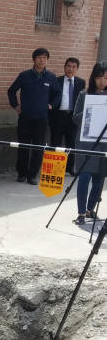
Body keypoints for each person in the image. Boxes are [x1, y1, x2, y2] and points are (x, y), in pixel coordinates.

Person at [8, 48, 62, 185]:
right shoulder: (24, 75)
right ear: (34, 59)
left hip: (41, 119)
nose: (41, 60)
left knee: (38, 148)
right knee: (23, 147)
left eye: (44, 57)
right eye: (39, 57)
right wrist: (16, 106)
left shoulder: (51, 77)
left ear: (47, 60)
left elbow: (58, 94)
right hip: (25, 117)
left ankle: (32, 175)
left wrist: (52, 105)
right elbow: (11, 91)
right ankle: (21, 174)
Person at [72, 62, 107, 225]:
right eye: (99, 78)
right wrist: (90, 113)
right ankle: (80, 212)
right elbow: (75, 117)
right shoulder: (84, 94)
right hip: (85, 142)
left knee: (99, 178)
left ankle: (90, 209)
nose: (102, 82)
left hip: (104, 144)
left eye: (105, 78)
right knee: (84, 177)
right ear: (93, 78)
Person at [50, 57, 85, 177]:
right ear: (65, 67)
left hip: (72, 117)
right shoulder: (56, 80)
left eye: (73, 67)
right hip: (58, 116)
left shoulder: (81, 82)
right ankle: (55, 169)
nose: (70, 69)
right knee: (56, 142)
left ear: (77, 69)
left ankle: (70, 168)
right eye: (68, 66)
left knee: (72, 144)